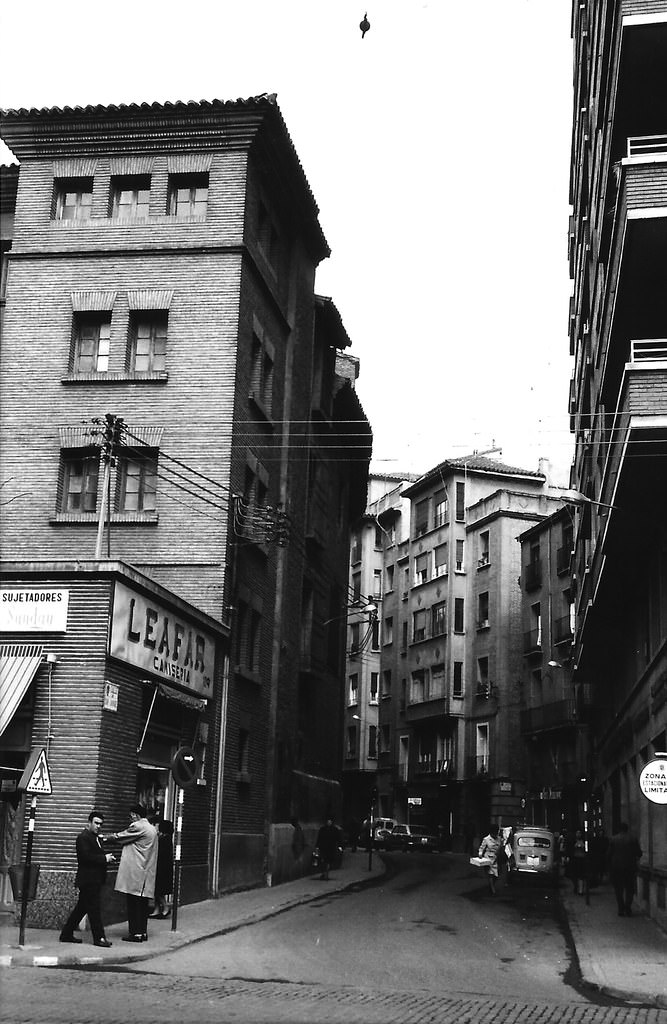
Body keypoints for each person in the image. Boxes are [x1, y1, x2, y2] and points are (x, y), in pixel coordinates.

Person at [60, 810, 115, 947]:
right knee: (94, 909)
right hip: (89, 880)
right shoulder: (83, 837)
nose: (98, 826)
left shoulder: (94, 837)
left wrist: (106, 858)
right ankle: (99, 938)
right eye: (96, 823)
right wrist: (104, 858)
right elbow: (85, 857)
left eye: (101, 824)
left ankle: (66, 934)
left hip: (94, 879)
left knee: (82, 908)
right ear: (89, 823)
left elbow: (93, 855)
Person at [109, 804, 158, 942]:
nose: (130, 818)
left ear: (136, 815)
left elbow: (120, 837)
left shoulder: (138, 826)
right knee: (143, 905)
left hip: (135, 873)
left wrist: (105, 837)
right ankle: (142, 932)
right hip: (146, 872)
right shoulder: (152, 829)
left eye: (131, 815)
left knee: (133, 904)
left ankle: (135, 933)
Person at [608, 822, 642, 917]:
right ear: (627, 829)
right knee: (630, 889)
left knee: (618, 889)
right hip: (630, 867)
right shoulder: (633, 839)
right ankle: (627, 908)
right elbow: (638, 853)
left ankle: (620, 908)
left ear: (619, 829)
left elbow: (609, 854)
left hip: (617, 868)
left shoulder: (613, 839)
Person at [149, 819, 174, 919]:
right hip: (161, 868)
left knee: (159, 890)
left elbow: (160, 854)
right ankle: (156, 909)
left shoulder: (164, 839)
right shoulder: (164, 838)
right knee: (157, 890)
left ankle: (166, 907)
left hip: (161, 869)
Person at [478, 824, 502, 895]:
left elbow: (501, 847)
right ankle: (492, 890)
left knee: (496, 875)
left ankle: (491, 886)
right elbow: (481, 848)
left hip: (496, 858)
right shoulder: (486, 839)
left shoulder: (499, 839)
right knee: (490, 874)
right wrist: (480, 854)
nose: (495, 834)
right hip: (488, 858)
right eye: (494, 832)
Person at [315, 815, 340, 881]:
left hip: (330, 848)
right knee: (324, 861)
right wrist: (317, 846)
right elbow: (319, 838)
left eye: (330, 821)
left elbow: (337, 839)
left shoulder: (334, 830)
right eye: (328, 821)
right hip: (324, 847)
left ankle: (326, 874)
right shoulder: (323, 829)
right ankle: (324, 874)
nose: (329, 823)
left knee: (327, 861)